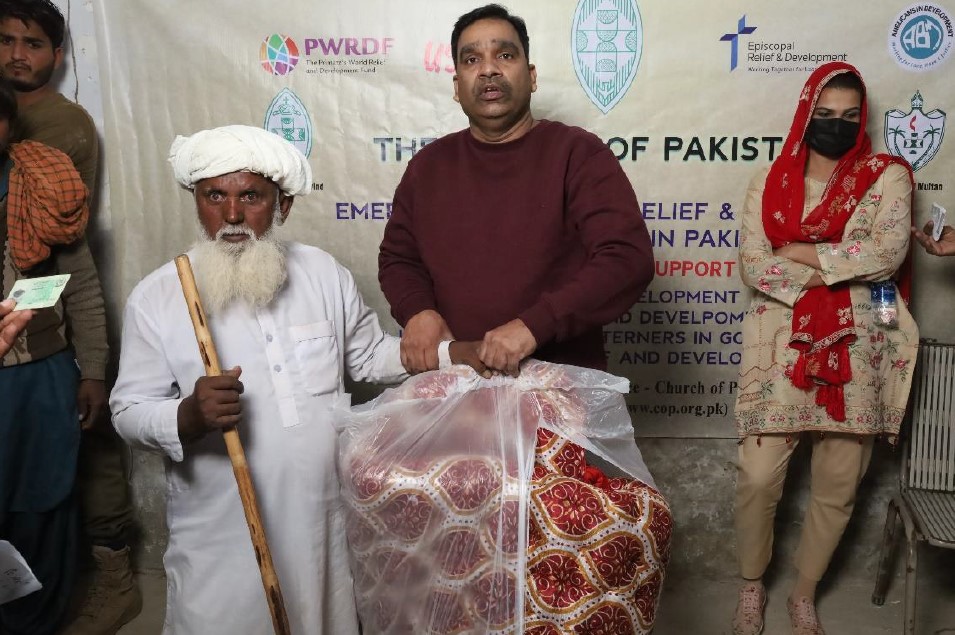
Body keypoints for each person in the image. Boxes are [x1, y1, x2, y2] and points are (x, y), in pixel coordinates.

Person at [110, 125, 486, 634]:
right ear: (197, 202)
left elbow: (369, 356)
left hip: (324, 521)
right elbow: (128, 409)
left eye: (251, 197)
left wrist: (450, 354)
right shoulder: (159, 296)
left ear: (282, 206)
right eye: (214, 196)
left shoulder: (322, 273)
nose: (233, 215)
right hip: (223, 530)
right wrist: (187, 415)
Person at [732, 62, 918, 635]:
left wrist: (806, 254)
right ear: (805, 113)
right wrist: (839, 264)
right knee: (760, 476)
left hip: (861, 345)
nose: (836, 126)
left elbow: (885, 255)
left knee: (839, 482)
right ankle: (751, 585)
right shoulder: (771, 178)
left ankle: (804, 593)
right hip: (780, 344)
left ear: (862, 121)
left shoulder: (886, 176)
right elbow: (755, 262)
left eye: (848, 117)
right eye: (824, 115)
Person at [378, 3, 653, 377]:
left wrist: (535, 325)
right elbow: (399, 259)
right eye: (472, 59)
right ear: (457, 87)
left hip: (560, 393)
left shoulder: (578, 154)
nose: (489, 69)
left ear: (532, 76)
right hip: (456, 389)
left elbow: (626, 259)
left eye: (504, 55)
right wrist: (418, 311)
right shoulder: (428, 167)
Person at [0, 3, 141, 630]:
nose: (16, 54)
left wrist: (88, 365)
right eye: (4, 41)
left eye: (32, 43)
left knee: (56, 478)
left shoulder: (51, 143)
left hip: (38, 347)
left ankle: (95, 580)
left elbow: (63, 268)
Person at [0, 76, 106, 635]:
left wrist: (91, 371)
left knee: (41, 505)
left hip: (38, 377)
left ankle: (35, 623)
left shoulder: (45, 182)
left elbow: (82, 287)